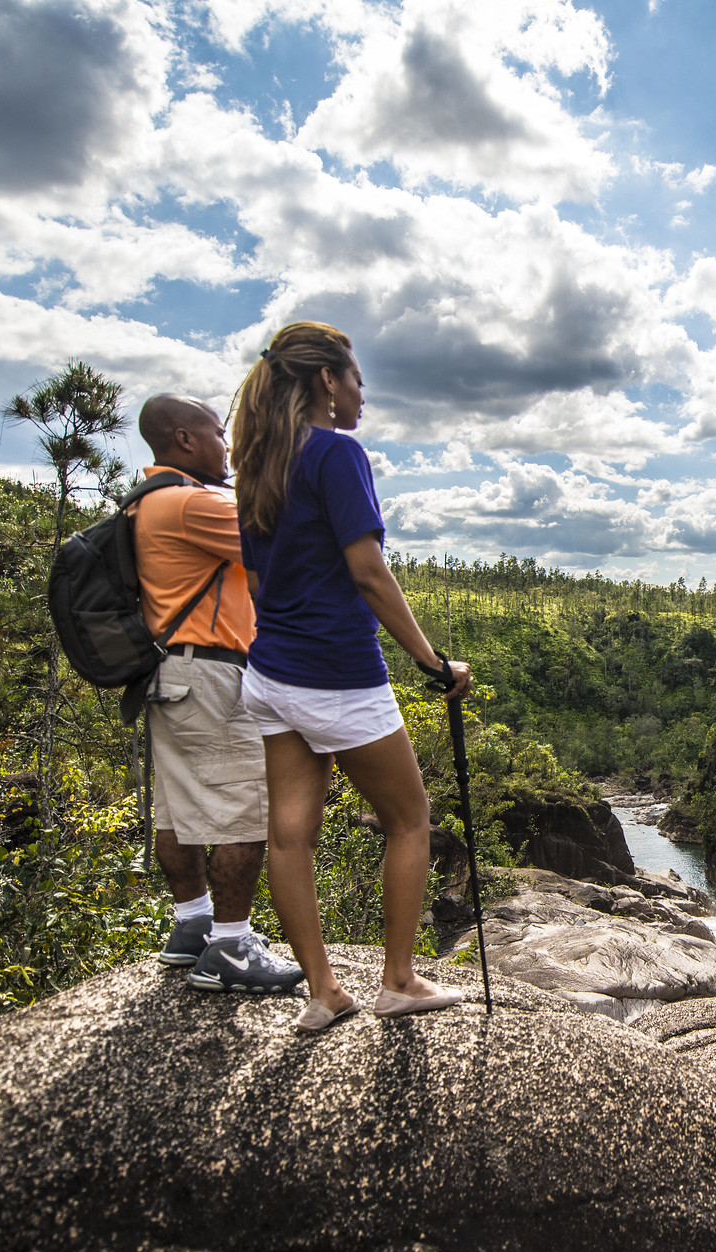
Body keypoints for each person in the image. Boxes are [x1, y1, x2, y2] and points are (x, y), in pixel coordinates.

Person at [230, 322, 474, 1031]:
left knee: (289, 835)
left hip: (271, 670)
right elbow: (368, 571)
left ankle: (323, 991)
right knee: (410, 818)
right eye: (358, 379)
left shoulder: (257, 465)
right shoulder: (336, 454)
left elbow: (254, 576)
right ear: (326, 380)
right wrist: (434, 664)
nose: (363, 393)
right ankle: (398, 981)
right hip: (335, 671)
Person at [136, 395, 306, 995]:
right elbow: (282, 541)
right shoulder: (191, 503)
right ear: (184, 440)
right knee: (245, 811)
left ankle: (192, 926)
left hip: (171, 674)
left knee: (178, 808)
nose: (226, 447)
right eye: (217, 434)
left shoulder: (149, 502)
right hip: (210, 673)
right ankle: (231, 945)